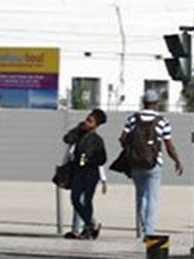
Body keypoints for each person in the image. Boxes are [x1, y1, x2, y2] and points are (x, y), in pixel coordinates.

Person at [120, 90, 183, 238]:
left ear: (144, 102)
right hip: (154, 163)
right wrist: (177, 160)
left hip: (135, 163)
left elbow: (122, 138)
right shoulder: (162, 121)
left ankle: (142, 228)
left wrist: (132, 151)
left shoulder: (132, 119)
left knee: (140, 195)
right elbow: (169, 145)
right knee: (152, 197)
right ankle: (149, 230)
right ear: (156, 103)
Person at [63, 109, 108, 240]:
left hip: (90, 173)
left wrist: (87, 161)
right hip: (78, 172)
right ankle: (91, 224)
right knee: (75, 199)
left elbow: (102, 159)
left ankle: (85, 228)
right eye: (86, 119)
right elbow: (67, 139)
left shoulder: (97, 140)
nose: (86, 122)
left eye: (90, 121)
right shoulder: (79, 135)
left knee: (86, 200)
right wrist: (77, 129)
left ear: (96, 125)